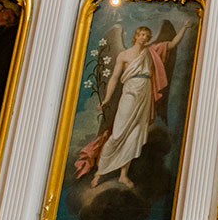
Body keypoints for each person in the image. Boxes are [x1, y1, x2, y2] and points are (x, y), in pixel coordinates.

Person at [75, 19, 186, 189]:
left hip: (145, 93)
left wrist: (184, 27)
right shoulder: (124, 55)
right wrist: (106, 99)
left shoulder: (151, 51)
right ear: (136, 36)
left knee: (134, 136)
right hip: (130, 93)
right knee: (118, 134)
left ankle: (123, 175)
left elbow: (171, 44)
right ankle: (99, 173)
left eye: (147, 36)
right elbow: (114, 78)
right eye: (141, 34)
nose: (144, 38)